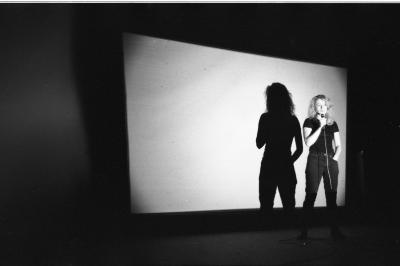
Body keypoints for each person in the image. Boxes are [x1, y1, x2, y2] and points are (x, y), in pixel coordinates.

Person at [298, 94, 345, 240]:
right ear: (314, 107)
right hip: (314, 159)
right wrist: (320, 126)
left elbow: (339, 146)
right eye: (318, 105)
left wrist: (334, 159)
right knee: (311, 196)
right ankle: (304, 231)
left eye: (324, 105)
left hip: (330, 161)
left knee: (332, 198)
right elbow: (308, 143)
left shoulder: (333, 123)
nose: (322, 107)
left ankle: (335, 230)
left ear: (328, 107)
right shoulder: (309, 122)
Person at [256, 83, 303, 221]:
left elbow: (259, 144)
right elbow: (299, 149)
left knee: (266, 206)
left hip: (268, 165)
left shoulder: (265, 118)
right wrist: (288, 161)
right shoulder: (293, 120)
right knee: (289, 207)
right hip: (286, 167)